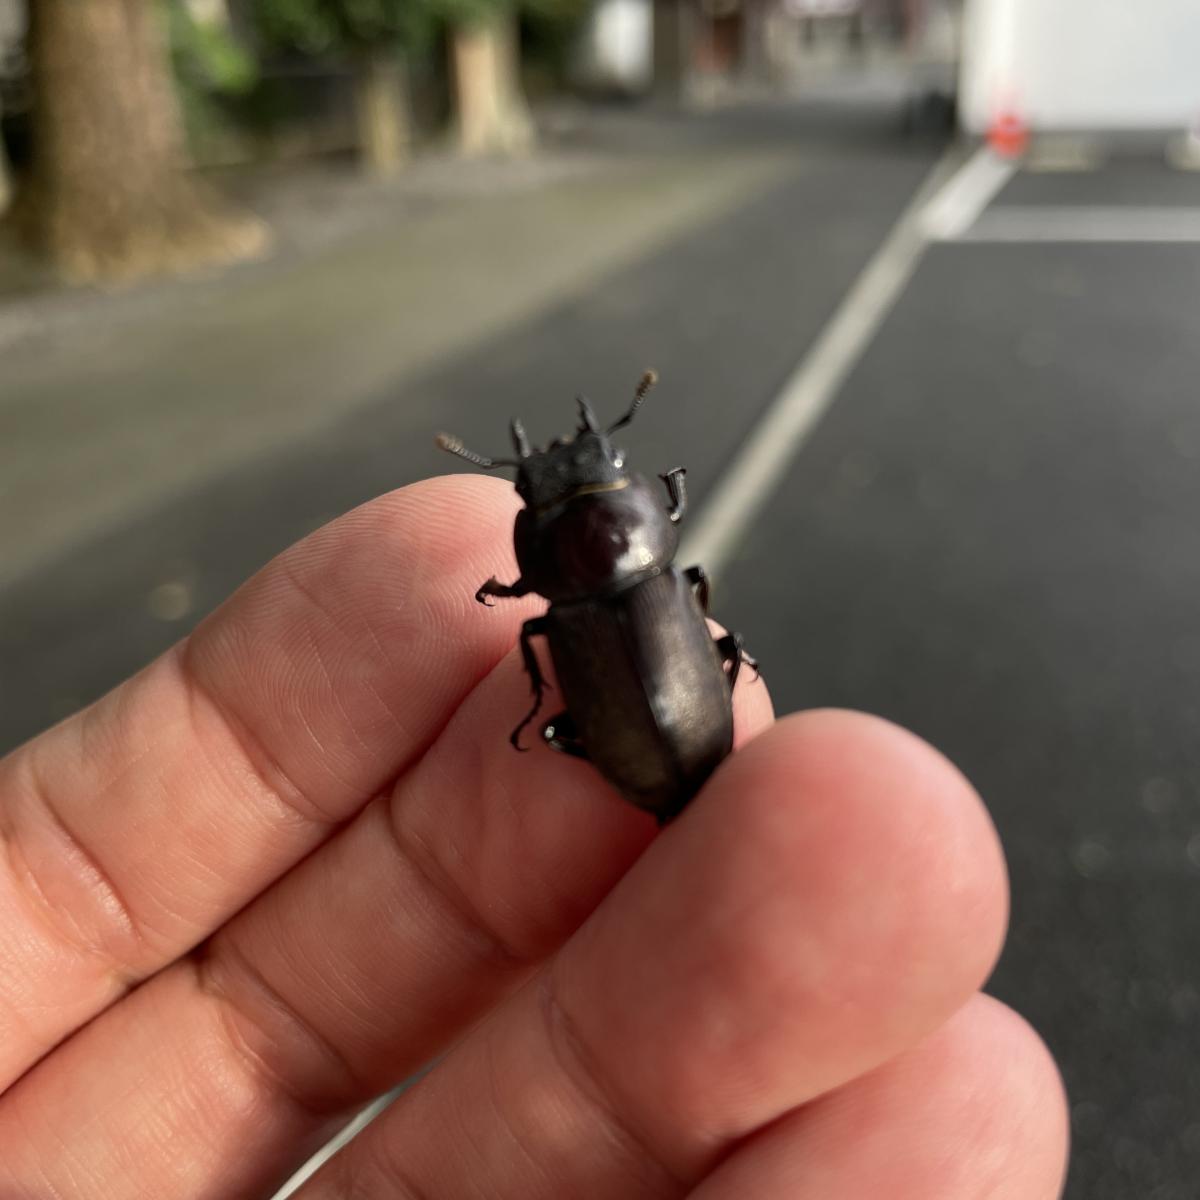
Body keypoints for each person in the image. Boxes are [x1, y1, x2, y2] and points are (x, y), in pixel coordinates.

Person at [0, 476, 1068, 1197]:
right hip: (668, 701)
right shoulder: (661, 580)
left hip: (630, 720)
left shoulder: (553, 613)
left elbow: (529, 599)